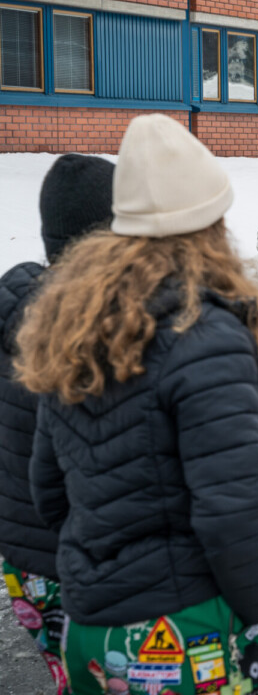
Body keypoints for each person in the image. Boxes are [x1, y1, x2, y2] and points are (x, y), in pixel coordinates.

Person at [17, 115, 258, 694]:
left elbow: (48, 489)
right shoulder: (207, 334)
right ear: (212, 223)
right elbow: (231, 510)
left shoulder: (73, 321)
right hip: (186, 633)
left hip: (95, 632)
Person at [0, 154, 114, 694]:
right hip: (89, 563)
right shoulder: (93, 335)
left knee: (71, 678)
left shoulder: (13, 315)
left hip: (25, 566)